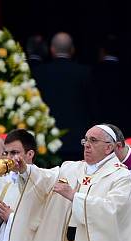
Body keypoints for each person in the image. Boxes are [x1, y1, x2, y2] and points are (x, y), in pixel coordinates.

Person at [32, 32, 92, 162]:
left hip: (48, 142)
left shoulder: (39, 73)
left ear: (51, 50)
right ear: (72, 50)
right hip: (78, 142)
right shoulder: (85, 73)